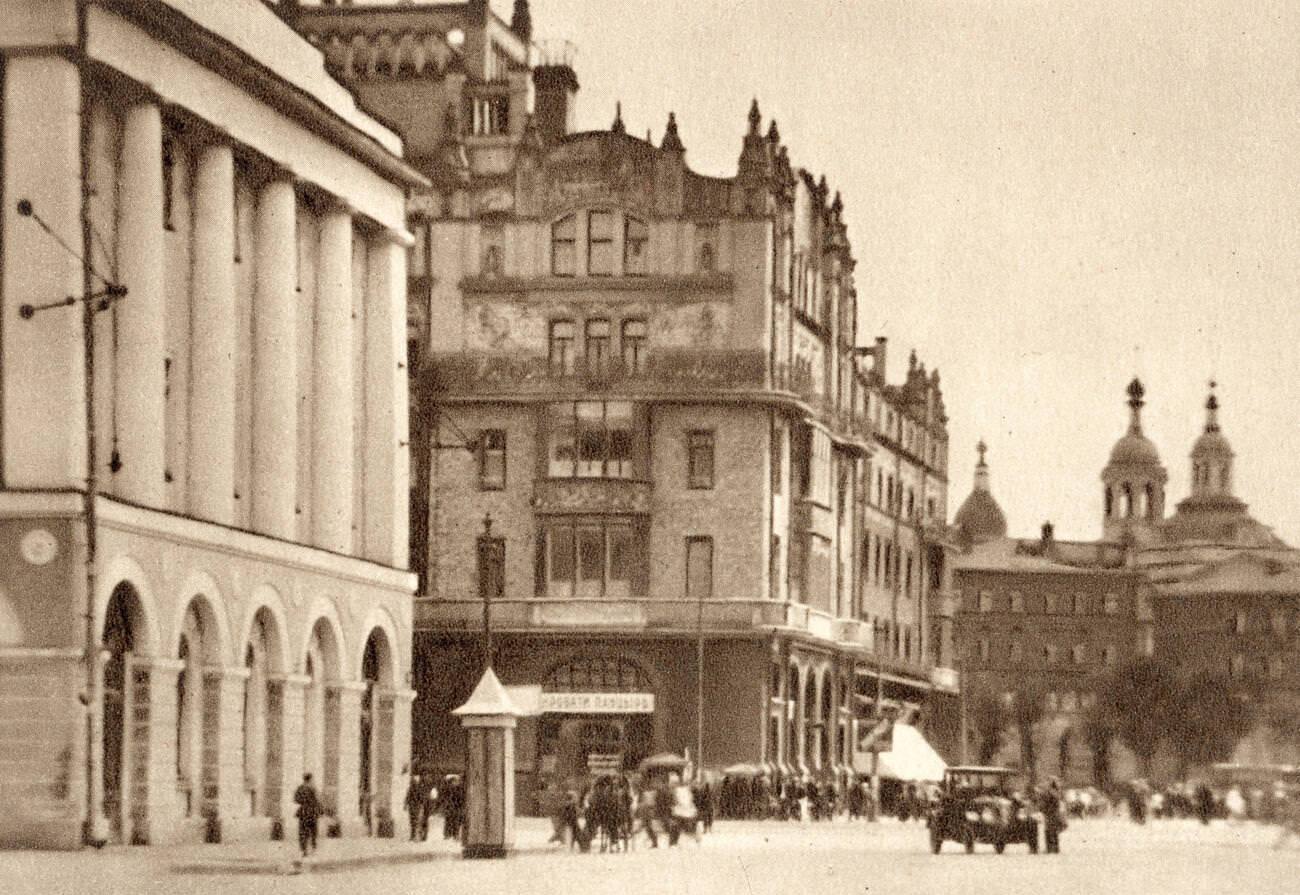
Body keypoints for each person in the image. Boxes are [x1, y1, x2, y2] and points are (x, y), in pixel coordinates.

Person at [293, 773, 323, 858]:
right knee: (313, 831)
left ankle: (304, 850)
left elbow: (296, 799)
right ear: (310, 779)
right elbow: (318, 800)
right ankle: (313, 849)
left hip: (303, 811)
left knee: (302, 831)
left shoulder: (300, 788)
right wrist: (321, 811)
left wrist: (303, 802)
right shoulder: (313, 788)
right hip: (312, 811)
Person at [1038, 778, 1066, 854]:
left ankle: (1049, 849)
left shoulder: (1049, 792)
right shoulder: (1056, 792)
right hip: (1055, 813)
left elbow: (1044, 803)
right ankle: (1056, 848)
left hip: (1050, 814)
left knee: (1048, 831)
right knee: (1054, 832)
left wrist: (1042, 809)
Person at [404, 773, 426, 842]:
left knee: (415, 821)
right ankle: (414, 836)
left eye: (413, 781)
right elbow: (407, 797)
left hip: (416, 806)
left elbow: (421, 798)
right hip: (414, 806)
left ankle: (416, 836)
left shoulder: (419, 789)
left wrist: (405, 805)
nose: (412, 782)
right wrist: (405, 805)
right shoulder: (412, 789)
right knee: (414, 822)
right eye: (412, 781)